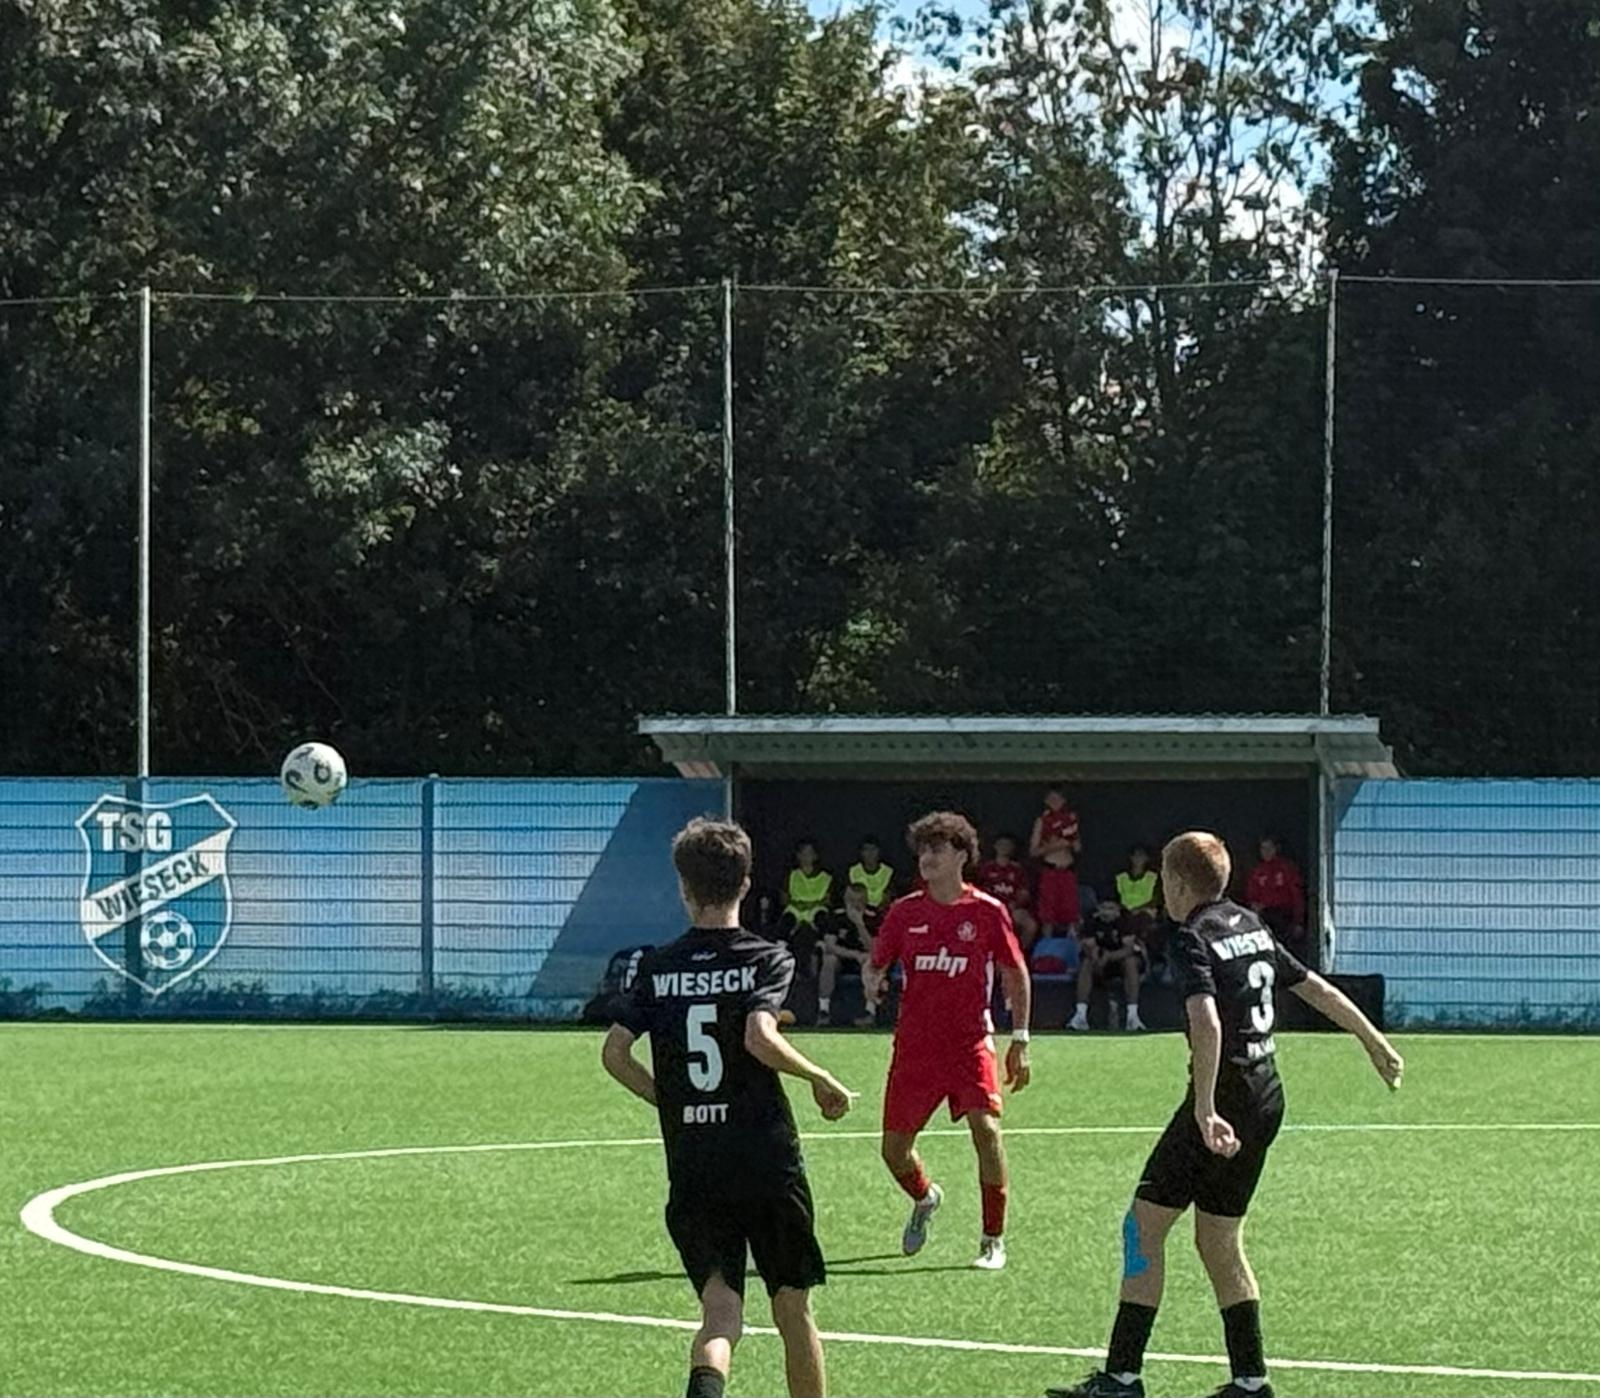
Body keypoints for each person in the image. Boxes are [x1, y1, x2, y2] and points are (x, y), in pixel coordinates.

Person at [1046, 831, 1403, 1398]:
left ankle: (1121, 1377)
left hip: (1227, 1101)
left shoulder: (1192, 937)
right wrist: (1372, 1039)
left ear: (1177, 883)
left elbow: (1207, 1022)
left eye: (1165, 880)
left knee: (1141, 1228)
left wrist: (1206, 1109)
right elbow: (1312, 987)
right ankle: (1251, 1381)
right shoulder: (1250, 924)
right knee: (1218, 1240)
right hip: (1266, 1096)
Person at [602, 818, 856, 1398]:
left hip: (696, 1161)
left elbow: (614, 1053)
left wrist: (672, 1102)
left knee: (720, 1316)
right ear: (745, 883)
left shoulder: (658, 966)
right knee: (793, 1309)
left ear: (683, 887)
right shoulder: (766, 957)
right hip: (766, 1157)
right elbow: (759, 1037)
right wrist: (818, 1076)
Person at [863, 810, 1033, 1271]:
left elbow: (1015, 973)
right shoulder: (904, 913)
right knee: (894, 1151)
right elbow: (876, 963)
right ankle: (925, 1197)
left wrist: (1020, 1038)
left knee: (987, 1130)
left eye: (937, 848)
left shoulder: (987, 912)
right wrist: (872, 980)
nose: (927, 857)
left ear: (961, 855)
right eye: (922, 849)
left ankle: (992, 1239)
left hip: (969, 1044)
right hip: (915, 1049)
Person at [1068, 899, 1147, 1033]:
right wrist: (1096, 956)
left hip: (1120, 960)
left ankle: (1133, 1017)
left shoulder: (1126, 919)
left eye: (1111, 908)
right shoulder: (1091, 919)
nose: (1107, 912)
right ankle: (1080, 1015)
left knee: (1130, 962)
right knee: (1086, 963)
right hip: (1099, 962)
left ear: (1118, 909)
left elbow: (1128, 949)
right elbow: (1088, 946)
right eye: (1104, 908)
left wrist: (1109, 956)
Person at [819, 882, 877, 1026]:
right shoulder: (836, 915)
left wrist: (860, 924)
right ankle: (823, 1010)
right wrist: (854, 955)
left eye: (859, 901)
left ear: (866, 900)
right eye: (852, 901)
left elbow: (875, 948)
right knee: (829, 960)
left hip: (865, 959)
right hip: (844, 957)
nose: (855, 905)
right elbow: (830, 946)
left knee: (873, 961)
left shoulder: (874, 916)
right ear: (846, 900)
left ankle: (870, 1012)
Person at [1029, 786, 1082, 938]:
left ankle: (1071, 943)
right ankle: (1047, 943)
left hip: (1067, 869)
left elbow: (1077, 847)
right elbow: (1033, 851)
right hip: (1051, 869)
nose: (1055, 802)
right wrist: (1055, 845)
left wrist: (1069, 839)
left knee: (1071, 911)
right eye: (1051, 799)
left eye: (1058, 799)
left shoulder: (1070, 819)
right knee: (1048, 913)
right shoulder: (1042, 821)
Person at [1246, 835, 1308, 959]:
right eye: (1263, 848)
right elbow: (1251, 896)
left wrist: (1299, 922)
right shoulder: (1258, 871)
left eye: (1269, 848)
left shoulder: (1287, 868)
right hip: (1263, 919)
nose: (1266, 852)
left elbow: (1297, 896)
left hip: (1284, 918)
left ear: (1276, 849)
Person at [976, 833, 1039, 952]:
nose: (1004, 848)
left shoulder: (1018, 870)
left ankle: (1018, 953)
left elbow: (1024, 893)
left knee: (1030, 925)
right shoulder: (986, 868)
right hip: (989, 909)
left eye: (1007, 845)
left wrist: (1015, 903)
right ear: (995, 846)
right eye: (1001, 844)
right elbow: (977, 890)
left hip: (1011, 909)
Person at [846, 836, 895, 923]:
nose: (870, 853)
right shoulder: (852, 871)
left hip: (882, 914)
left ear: (879, 852)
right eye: (866, 850)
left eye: (873, 849)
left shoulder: (889, 872)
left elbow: (888, 898)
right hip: (859, 913)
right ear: (861, 853)